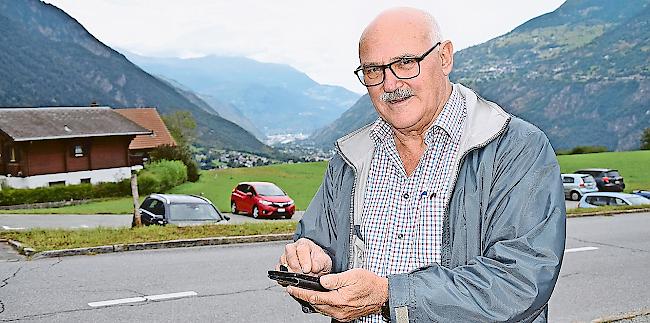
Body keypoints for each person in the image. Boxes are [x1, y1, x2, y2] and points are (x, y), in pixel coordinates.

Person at [277, 7, 566, 323]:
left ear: (445, 57)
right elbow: (319, 240)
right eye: (373, 70)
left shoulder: (515, 147)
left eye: (405, 63)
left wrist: (390, 297)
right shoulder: (349, 159)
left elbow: (519, 281)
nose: (390, 84)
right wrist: (313, 259)